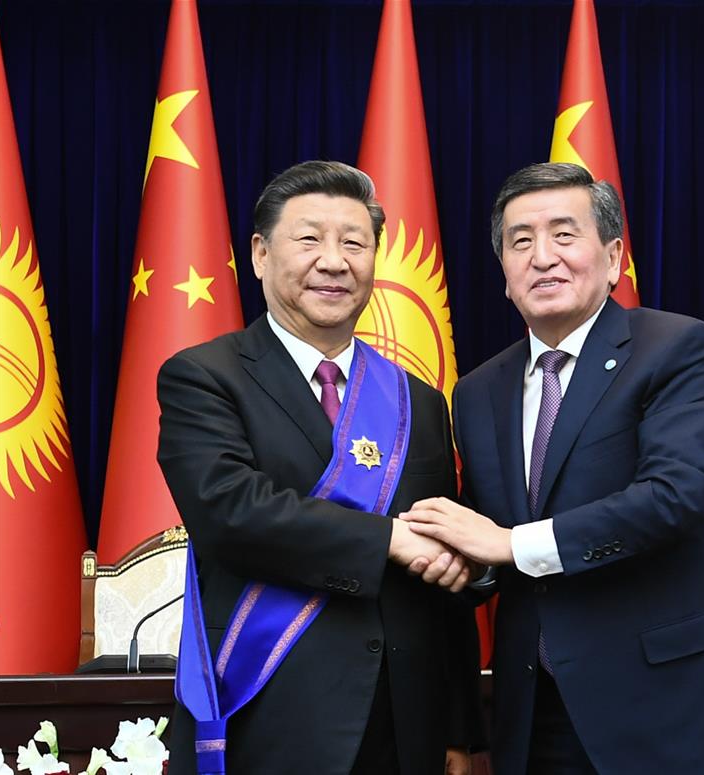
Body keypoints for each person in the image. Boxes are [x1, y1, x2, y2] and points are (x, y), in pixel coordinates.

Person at [401, 162, 704, 775]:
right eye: (520, 241)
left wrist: (509, 545)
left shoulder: (678, 349)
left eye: (564, 234)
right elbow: (487, 535)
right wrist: (465, 564)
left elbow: (676, 495)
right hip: (537, 717)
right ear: (504, 273)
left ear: (613, 259)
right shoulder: (477, 392)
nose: (542, 256)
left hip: (672, 710)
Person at [157, 160, 480, 775]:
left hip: (405, 725)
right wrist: (389, 540)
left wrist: (460, 730)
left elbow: (443, 561)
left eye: (354, 243)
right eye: (309, 239)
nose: (334, 261)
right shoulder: (204, 377)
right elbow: (231, 512)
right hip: (271, 712)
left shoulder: (418, 401)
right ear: (260, 254)